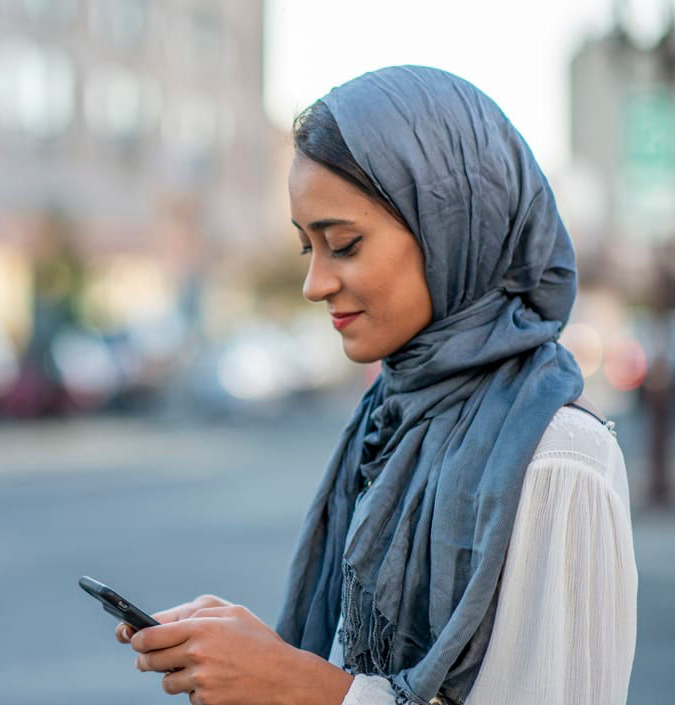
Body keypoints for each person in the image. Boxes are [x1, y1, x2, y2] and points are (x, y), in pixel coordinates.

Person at [115, 66, 637, 705]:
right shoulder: (387, 423)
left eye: (344, 243)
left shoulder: (559, 457)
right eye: (309, 248)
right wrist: (257, 659)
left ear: (451, 229)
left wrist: (306, 689)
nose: (316, 284)